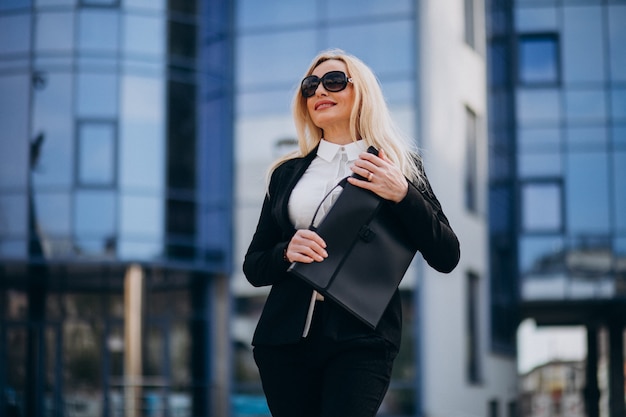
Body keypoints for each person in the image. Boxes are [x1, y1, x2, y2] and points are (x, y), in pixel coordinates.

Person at [243, 49, 460, 417]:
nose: (319, 92)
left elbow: (446, 255)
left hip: (363, 335)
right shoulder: (286, 173)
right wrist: (286, 251)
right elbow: (254, 266)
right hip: (284, 339)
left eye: (334, 81)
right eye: (310, 86)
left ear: (362, 92)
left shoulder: (400, 165)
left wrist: (403, 194)